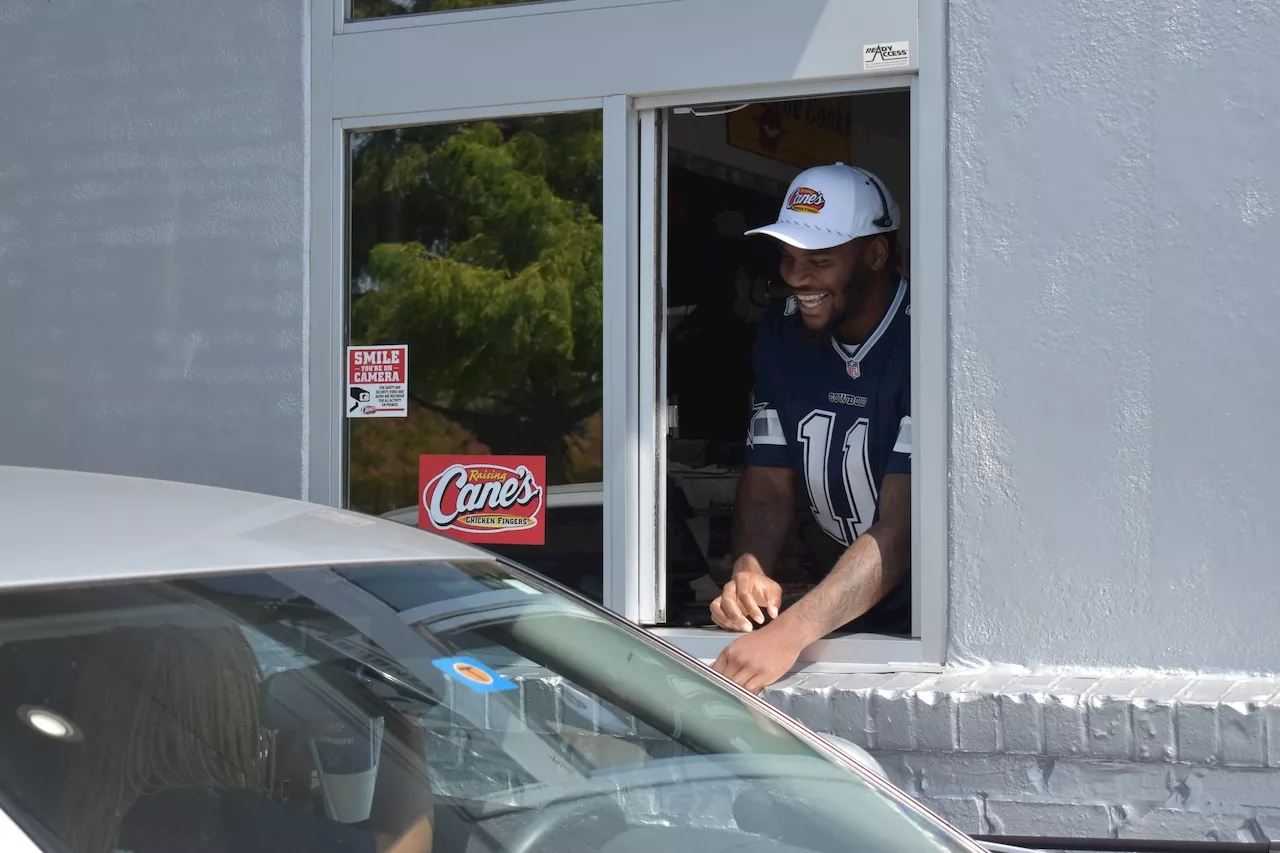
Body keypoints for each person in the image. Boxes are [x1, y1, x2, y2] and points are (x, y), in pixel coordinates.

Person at [709, 163, 912, 694]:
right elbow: (769, 482)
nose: (798, 277)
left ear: (875, 253)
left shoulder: (927, 334)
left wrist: (789, 632)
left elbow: (902, 528)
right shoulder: (781, 330)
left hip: (929, 623)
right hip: (838, 612)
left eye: (819, 260)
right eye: (789, 258)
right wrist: (748, 571)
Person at [55, 624, 433, 853]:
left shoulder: (79, 802)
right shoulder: (224, 814)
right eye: (243, 685)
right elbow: (409, 847)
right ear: (222, 706)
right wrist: (405, 731)